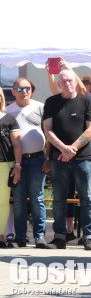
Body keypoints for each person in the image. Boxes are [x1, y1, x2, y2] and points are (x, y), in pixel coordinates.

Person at [42, 68, 91, 250]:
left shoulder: (86, 101)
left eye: (70, 80)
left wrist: (72, 148)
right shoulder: (51, 102)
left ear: (75, 82)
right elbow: (47, 130)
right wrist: (63, 148)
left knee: (86, 197)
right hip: (59, 159)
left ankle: (88, 237)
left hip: (83, 158)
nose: (67, 84)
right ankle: (59, 237)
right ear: (58, 84)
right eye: (63, 81)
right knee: (59, 199)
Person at [6, 77, 49, 249]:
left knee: (37, 198)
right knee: (19, 200)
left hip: (38, 159)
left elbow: (49, 133)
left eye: (28, 88)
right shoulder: (8, 111)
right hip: (16, 163)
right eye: (22, 88)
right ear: (13, 91)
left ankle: (40, 236)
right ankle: (21, 236)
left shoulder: (40, 107)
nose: (25, 91)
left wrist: (47, 158)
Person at [0, 89, 24, 249]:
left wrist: (17, 165)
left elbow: (16, 144)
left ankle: (1, 237)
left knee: (1, 203)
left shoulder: (9, 119)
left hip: (4, 165)